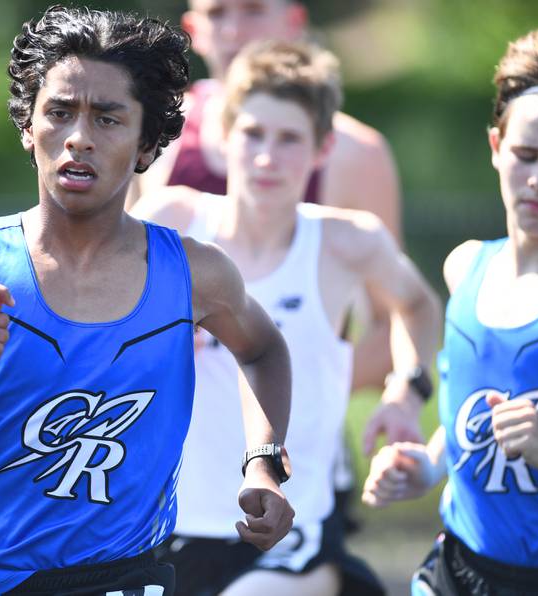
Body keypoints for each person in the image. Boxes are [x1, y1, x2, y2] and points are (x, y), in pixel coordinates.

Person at [0, 7, 296, 595]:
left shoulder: (192, 273)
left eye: (108, 119)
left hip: (129, 576)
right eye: (59, 113)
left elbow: (263, 350)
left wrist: (264, 461)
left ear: (147, 143)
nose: (79, 137)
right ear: (28, 128)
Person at [133, 40, 441, 596]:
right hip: (164, 525)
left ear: (322, 148)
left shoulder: (348, 241)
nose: (268, 157)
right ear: (224, 138)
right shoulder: (171, 221)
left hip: (284, 538)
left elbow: (418, 305)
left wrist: (407, 391)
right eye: (253, 134)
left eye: (289, 139)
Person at [362, 28, 538, 596]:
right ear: (496, 147)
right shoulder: (464, 267)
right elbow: (473, 414)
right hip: (456, 568)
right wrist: (427, 465)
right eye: (526, 155)